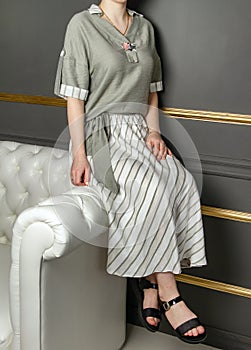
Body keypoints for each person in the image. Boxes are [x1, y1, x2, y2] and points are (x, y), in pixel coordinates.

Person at [54, 0, 208, 344]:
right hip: (99, 135)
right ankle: (171, 295)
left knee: (180, 182)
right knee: (148, 187)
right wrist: (79, 153)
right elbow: (75, 99)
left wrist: (153, 132)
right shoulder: (81, 24)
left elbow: (152, 93)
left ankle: (149, 282)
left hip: (139, 130)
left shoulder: (144, 27)